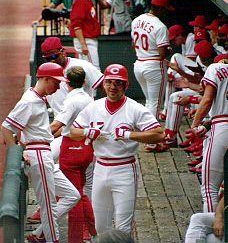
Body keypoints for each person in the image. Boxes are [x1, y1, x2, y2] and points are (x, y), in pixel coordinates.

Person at [69, 63, 164, 235]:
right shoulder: (94, 106)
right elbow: (73, 132)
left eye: (118, 83)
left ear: (125, 85)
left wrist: (130, 135)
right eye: (109, 82)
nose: (113, 87)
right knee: (100, 226)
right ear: (103, 83)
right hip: (100, 168)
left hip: (125, 169)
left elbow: (158, 134)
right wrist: (86, 132)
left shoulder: (134, 108)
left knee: (123, 227)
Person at [1, 62, 70, 243]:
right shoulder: (29, 100)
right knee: (49, 205)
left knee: (72, 195)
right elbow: (7, 127)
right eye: (56, 82)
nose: (58, 86)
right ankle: (52, 240)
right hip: (38, 153)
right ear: (46, 79)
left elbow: (18, 128)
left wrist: (21, 141)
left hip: (44, 151)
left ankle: (39, 234)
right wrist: (17, 150)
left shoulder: (36, 97)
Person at [51, 66, 97, 243]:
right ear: (84, 82)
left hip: (72, 149)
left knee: (74, 194)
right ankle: (92, 230)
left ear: (67, 83)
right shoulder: (89, 98)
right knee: (84, 190)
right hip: (88, 147)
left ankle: (78, 236)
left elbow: (57, 126)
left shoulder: (71, 101)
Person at [131, 0, 173, 152]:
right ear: (159, 8)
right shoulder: (160, 26)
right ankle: (152, 141)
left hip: (139, 64)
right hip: (154, 65)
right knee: (155, 104)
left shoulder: (137, 20)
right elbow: (163, 53)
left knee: (149, 102)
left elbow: (133, 44)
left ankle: (146, 135)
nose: (167, 13)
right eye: (165, 9)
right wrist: (168, 49)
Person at [191, 53, 228, 212]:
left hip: (222, 127)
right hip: (219, 122)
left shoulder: (216, 67)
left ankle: (215, 234)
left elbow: (207, 100)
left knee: (209, 189)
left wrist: (195, 124)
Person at [41, 36, 104, 116]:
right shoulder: (45, 73)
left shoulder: (83, 66)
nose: (51, 61)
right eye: (47, 58)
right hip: (60, 123)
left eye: (54, 56)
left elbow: (103, 85)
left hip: (83, 121)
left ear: (62, 52)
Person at [70, 0, 101, 70]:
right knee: (94, 70)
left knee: (86, 71)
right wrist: (83, 44)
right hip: (86, 40)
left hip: (88, 39)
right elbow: (76, 24)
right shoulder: (81, 0)